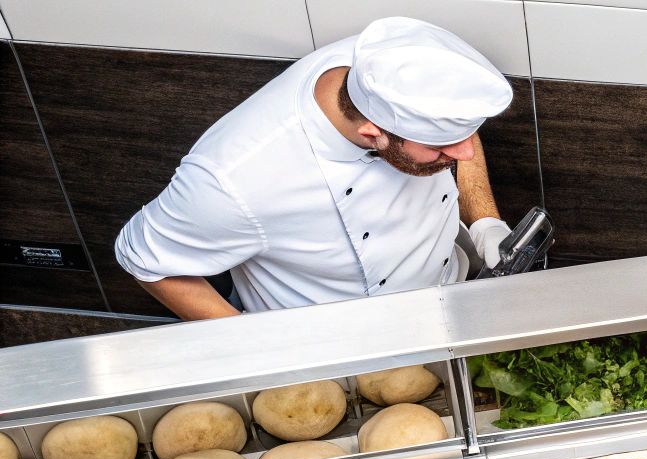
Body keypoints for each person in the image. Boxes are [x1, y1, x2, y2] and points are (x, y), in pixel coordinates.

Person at [115, 17, 516, 319]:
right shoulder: (233, 180)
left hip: (447, 290)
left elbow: (459, 131)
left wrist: (485, 223)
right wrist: (258, 355)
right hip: (337, 343)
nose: (465, 153)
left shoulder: (392, 65)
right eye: (439, 146)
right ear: (372, 131)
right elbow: (145, 260)